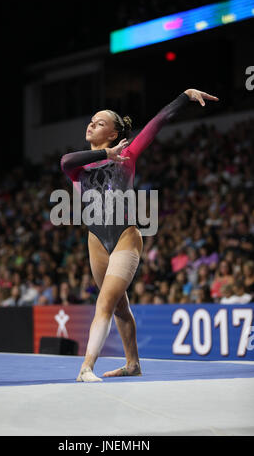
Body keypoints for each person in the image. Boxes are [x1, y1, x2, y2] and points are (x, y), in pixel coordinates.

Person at [61, 88, 219, 382]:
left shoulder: (129, 154)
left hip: (125, 235)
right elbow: (65, 160)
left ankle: (86, 367)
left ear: (114, 133)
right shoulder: (78, 168)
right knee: (120, 307)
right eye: (91, 120)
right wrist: (105, 154)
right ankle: (133, 364)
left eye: (100, 122)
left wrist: (184, 96)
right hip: (96, 239)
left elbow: (157, 122)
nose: (91, 124)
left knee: (105, 303)